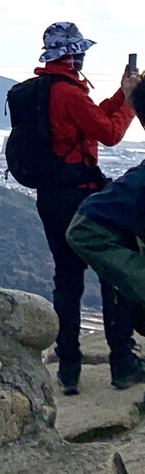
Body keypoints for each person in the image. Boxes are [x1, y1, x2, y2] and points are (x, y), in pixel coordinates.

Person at [31, 21, 142, 395]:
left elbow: (92, 121)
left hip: (50, 197)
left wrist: (123, 95)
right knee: (111, 274)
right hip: (81, 192)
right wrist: (131, 104)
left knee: (66, 280)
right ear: (72, 54)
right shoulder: (70, 93)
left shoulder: (46, 89)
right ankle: (122, 363)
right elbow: (108, 133)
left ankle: (69, 370)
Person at [67, 75, 145, 312]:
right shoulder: (72, 95)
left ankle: (69, 346)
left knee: (67, 275)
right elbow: (104, 126)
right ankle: (121, 346)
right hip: (80, 185)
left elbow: (82, 230)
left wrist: (128, 98)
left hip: (64, 193)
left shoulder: (59, 93)